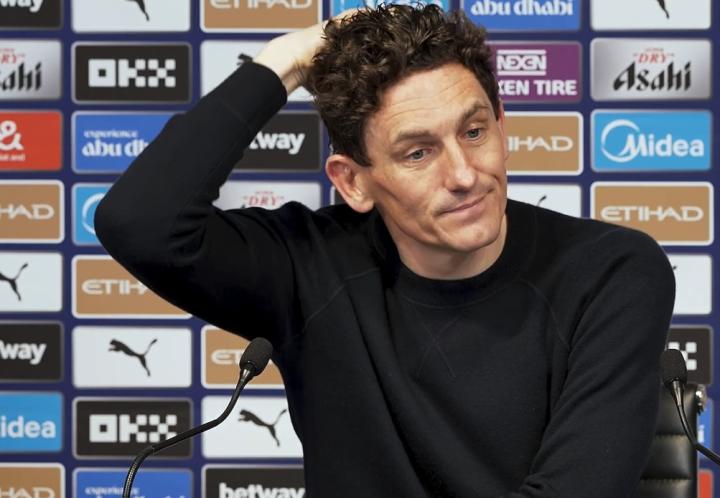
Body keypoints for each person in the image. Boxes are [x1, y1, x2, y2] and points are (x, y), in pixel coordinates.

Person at [95, 5, 675, 497]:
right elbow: (140, 223)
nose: (464, 175)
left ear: (502, 126)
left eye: (474, 132)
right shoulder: (309, 264)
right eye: (418, 153)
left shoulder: (610, 271)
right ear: (352, 182)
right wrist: (286, 60)